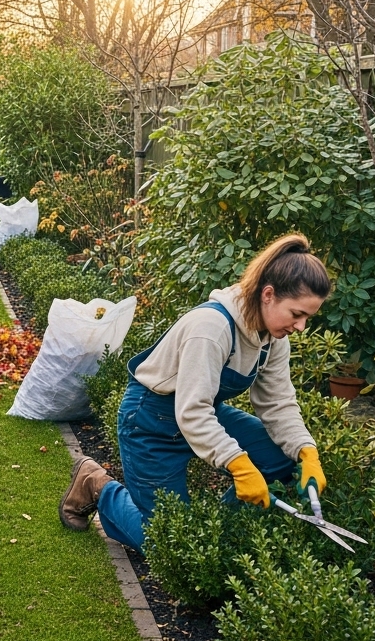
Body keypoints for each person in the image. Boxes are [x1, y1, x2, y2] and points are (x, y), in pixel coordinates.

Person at [59, 234, 331, 550]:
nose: (300, 327)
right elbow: (192, 411)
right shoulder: (212, 328)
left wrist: (305, 451)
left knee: (282, 461)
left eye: (307, 318)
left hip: (199, 416)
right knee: (171, 543)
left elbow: (278, 403)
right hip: (150, 422)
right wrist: (240, 465)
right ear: (268, 294)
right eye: (297, 314)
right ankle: (97, 485)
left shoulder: (273, 340)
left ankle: (219, 534)